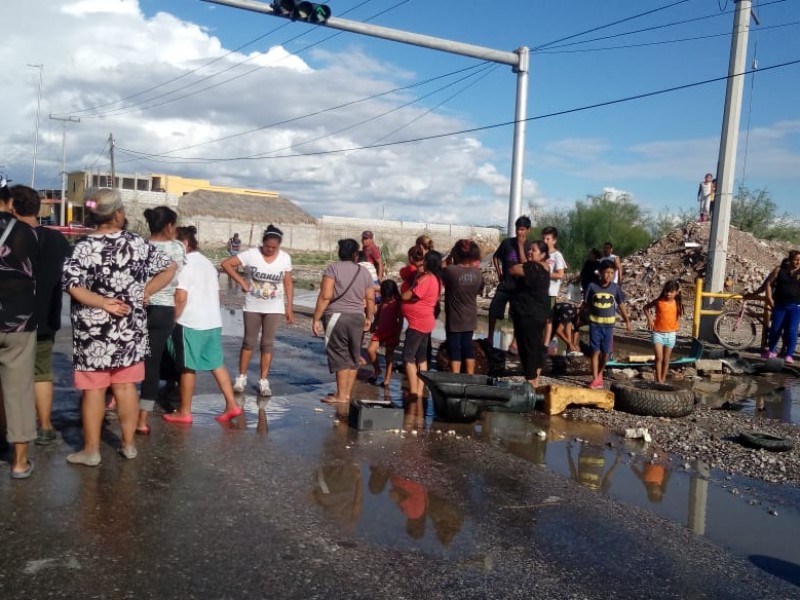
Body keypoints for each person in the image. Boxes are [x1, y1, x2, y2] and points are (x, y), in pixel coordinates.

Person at [63, 189, 176, 466]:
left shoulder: (83, 246)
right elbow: (170, 267)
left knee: (94, 391)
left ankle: (91, 451)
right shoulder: (137, 243)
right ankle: (127, 445)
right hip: (129, 327)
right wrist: (143, 293)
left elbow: (73, 286)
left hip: (93, 333)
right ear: (117, 214)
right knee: (125, 387)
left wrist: (101, 302)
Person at [10, 186, 71, 446]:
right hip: (46, 316)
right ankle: (45, 427)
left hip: (12, 318)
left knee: (9, 376)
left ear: (12, 207)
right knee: (42, 372)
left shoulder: (10, 237)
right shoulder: (57, 240)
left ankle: (9, 431)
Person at [162, 226, 241, 424]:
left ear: (185, 243)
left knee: (187, 367)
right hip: (213, 321)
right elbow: (216, 295)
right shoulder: (207, 263)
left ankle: (184, 411)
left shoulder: (184, 264)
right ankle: (232, 405)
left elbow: (180, 298)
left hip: (191, 323)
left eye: (174, 243)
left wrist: (171, 321)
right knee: (216, 364)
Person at [221, 225, 294, 397]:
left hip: (274, 307)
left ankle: (263, 380)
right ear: (263, 243)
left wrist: (289, 307)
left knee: (267, 344)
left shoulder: (285, 258)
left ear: (279, 246)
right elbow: (226, 264)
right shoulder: (251, 254)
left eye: (274, 248)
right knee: (248, 342)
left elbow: (289, 283)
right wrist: (241, 281)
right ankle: (241, 377)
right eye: (268, 246)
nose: (270, 250)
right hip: (253, 305)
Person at [134, 206, 185, 434]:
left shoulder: (138, 245)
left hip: (136, 306)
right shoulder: (177, 248)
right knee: (151, 364)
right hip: (163, 309)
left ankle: (113, 399)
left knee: (127, 359)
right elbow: (180, 279)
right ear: (169, 226)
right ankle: (142, 419)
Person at [1, 185, 39, 478]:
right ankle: (19, 462)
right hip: (19, 322)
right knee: (18, 390)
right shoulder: (26, 232)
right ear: (10, 202)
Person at [312, 238, 375, 403]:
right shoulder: (364, 272)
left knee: (339, 354)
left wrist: (316, 318)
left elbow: (325, 296)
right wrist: (369, 317)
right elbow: (370, 299)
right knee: (354, 356)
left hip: (336, 317)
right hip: (357, 318)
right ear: (356, 254)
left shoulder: (332, 269)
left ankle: (340, 395)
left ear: (340, 253)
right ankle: (346, 394)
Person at [580, 260, 631, 389]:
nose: (609, 275)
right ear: (600, 273)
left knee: (606, 353)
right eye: (607, 272)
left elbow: (621, 305)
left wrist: (627, 321)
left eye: (612, 273)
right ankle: (596, 379)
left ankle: (600, 373)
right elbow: (585, 305)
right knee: (595, 352)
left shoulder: (615, 288)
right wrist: (579, 317)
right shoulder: (592, 286)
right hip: (595, 325)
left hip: (609, 326)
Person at [401, 250, 443, 400]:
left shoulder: (426, 279)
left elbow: (407, 295)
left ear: (428, 262)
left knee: (408, 357)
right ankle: (419, 390)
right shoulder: (437, 279)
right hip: (426, 322)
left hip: (418, 323)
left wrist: (413, 283)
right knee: (422, 357)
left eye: (424, 260)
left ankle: (413, 392)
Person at [508, 240, 551, 388]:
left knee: (528, 349)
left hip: (529, 314)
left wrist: (520, 249)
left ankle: (531, 382)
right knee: (534, 347)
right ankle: (535, 381)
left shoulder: (534, 268)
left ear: (543, 254)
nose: (529, 252)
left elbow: (513, 269)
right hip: (535, 314)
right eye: (529, 249)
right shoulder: (543, 268)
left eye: (533, 250)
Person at [441, 239, 484, 375]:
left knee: (454, 348)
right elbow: (479, 290)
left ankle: (456, 375)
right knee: (467, 346)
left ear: (456, 254)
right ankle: (470, 375)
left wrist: (449, 257)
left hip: (454, 319)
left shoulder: (450, 271)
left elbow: (440, 267)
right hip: (470, 317)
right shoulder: (478, 274)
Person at [488, 216, 532, 348]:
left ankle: (515, 342)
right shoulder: (507, 242)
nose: (520, 232)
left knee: (517, 314)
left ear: (528, 230)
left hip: (520, 287)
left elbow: (526, 266)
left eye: (523, 229)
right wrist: (499, 273)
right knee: (493, 309)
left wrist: (520, 245)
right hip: (505, 284)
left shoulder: (530, 247)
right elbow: (496, 257)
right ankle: (490, 337)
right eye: (518, 229)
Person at [758, 250, 800, 363]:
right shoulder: (779, 270)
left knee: (792, 331)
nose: (797, 263)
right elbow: (768, 284)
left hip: (795, 306)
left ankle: (789, 354)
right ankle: (771, 351)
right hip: (780, 305)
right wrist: (769, 298)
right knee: (775, 329)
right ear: (790, 260)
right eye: (796, 260)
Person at [643, 280, 683, 383]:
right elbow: (646, 308)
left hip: (671, 334)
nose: (668, 294)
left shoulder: (677, 303)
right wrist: (650, 319)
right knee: (659, 357)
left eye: (671, 292)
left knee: (666, 359)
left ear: (676, 292)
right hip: (658, 333)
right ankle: (658, 379)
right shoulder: (659, 302)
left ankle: (663, 379)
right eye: (666, 291)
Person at [365, 279, 402, 386]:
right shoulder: (382, 301)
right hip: (380, 331)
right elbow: (378, 315)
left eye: (388, 297)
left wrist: (397, 335)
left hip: (392, 332)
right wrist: (373, 325)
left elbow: (400, 320)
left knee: (389, 356)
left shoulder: (397, 303)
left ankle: (387, 379)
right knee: (370, 350)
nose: (386, 298)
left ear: (393, 293)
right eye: (384, 296)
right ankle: (377, 370)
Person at [542, 226, 567, 347]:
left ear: (554, 240)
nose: (545, 241)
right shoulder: (541, 254)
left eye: (548, 239)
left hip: (550, 292)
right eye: (544, 239)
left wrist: (545, 274)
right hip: (539, 291)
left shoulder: (557, 256)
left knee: (548, 319)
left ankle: (546, 344)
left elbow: (560, 274)